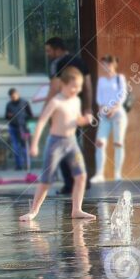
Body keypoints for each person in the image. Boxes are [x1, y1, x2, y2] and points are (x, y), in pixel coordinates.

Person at [21, 68, 95, 222]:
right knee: (47, 180)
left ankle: (76, 209)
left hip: (71, 142)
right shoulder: (56, 101)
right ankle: (33, 211)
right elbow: (41, 122)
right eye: (74, 86)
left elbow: (76, 120)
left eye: (79, 86)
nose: (77, 90)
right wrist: (34, 145)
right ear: (63, 85)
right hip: (55, 143)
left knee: (81, 175)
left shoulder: (76, 100)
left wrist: (84, 120)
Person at [44, 37, 94, 195]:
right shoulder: (80, 61)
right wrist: (88, 108)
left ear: (57, 49)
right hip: (77, 109)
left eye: (48, 50)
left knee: (61, 145)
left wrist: (46, 112)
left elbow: (53, 89)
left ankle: (69, 184)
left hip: (61, 111)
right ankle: (81, 180)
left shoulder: (57, 64)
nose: (48, 54)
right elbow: (88, 87)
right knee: (73, 144)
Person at [92, 55, 129, 183]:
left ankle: (117, 173)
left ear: (113, 64)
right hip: (104, 114)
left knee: (118, 143)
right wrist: (103, 109)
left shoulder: (120, 78)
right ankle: (99, 174)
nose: (105, 66)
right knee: (100, 142)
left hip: (118, 113)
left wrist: (114, 108)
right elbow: (99, 97)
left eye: (108, 63)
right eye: (103, 64)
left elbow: (123, 94)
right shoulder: (101, 80)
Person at [5, 88, 34, 171]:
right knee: (15, 147)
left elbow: (31, 115)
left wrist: (29, 127)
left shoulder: (24, 103)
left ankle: (27, 164)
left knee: (25, 146)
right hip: (13, 127)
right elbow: (6, 116)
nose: (13, 98)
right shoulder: (9, 105)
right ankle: (19, 165)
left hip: (23, 127)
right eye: (11, 97)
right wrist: (9, 116)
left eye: (14, 96)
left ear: (17, 94)